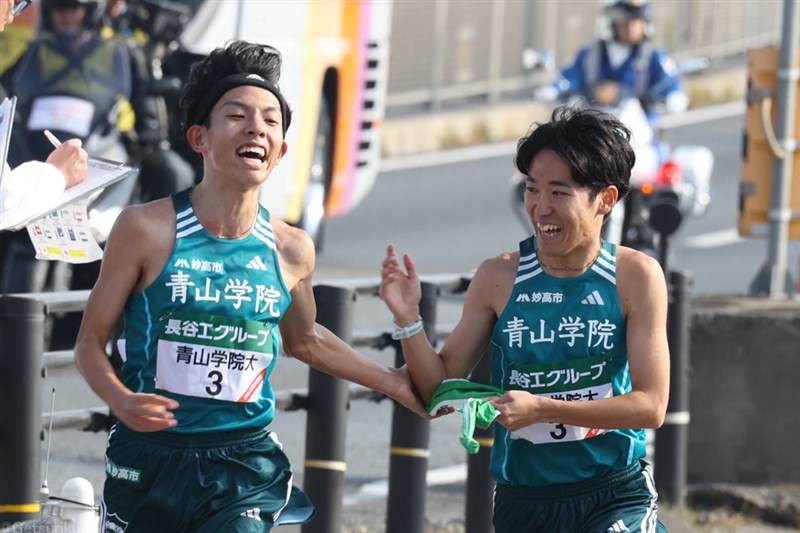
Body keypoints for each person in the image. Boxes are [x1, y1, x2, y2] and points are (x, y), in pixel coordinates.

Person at [74, 40, 427, 532]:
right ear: (199, 137)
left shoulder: (292, 249)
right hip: (148, 458)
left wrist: (393, 381)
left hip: (241, 464)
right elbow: (89, 342)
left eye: (270, 121)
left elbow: (304, 339)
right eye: (237, 115)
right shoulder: (144, 230)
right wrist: (120, 400)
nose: (256, 128)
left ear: (280, 150)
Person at [380, 106, 671, 532]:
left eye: (559, 192)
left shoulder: (635, 276)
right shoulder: (498, 277)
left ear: (605, 200)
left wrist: (542, 408)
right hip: (524, 500)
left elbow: (651, 406)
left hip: (613, 492)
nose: (540, 208)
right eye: (533, 190)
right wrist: (408, 320)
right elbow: (437, 388)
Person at [0, 0, 88, 224]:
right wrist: (57, 174)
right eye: (15, 2)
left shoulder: (111, 50)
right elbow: (4, 202)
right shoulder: (38, 49)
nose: (11, 17)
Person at [535, 0, 688, 118]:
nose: (631, 27)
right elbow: (570, 77)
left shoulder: (653, 56)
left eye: (637, 20)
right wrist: (553, 89)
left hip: (641, 131)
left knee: (659, 157)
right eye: (625, 20)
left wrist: (675, 96)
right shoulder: (590, 54)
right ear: (611, 22)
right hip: (594, 127)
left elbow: (668, 82)